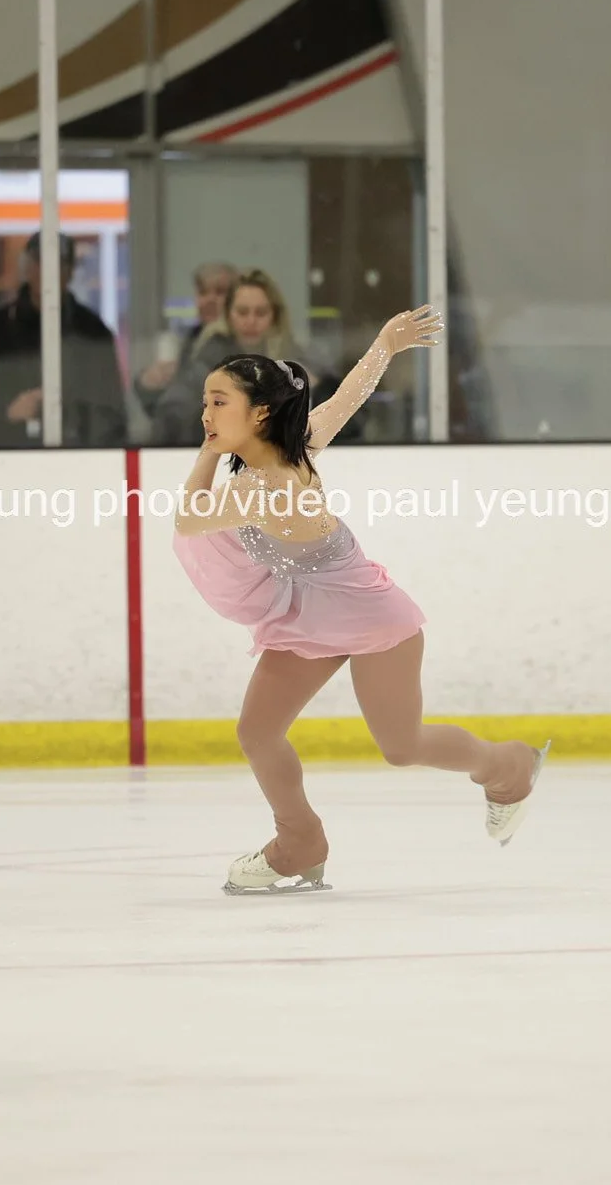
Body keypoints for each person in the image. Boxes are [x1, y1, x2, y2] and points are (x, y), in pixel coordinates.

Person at [172, 306, 549, 895]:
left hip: (373, 619)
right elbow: (345, 400)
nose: (207, 413)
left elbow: (188, 518)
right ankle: (299, 841)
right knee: (258, 732)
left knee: (402, 747)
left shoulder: (266, 487)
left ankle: (510, 767)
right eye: (206, 401)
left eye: (219, 402)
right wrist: (385, 345)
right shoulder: (293, 449)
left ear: (260, 412)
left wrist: (209, 452)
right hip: (309, 617)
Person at [0, 232, 126, 447]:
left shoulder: (92, 331)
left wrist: (73, 411)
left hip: (75, 456)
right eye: (40, 262)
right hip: (5, 455)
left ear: (70, 271)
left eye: (59, 264)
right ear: (27, 267)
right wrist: (7, 411)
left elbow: (113, 411)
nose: (48, 272)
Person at [151, 269, 316, 445]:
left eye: (260, 313)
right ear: (228, 315)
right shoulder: (207, 360)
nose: (251, 321)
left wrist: (312, 389)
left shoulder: (293, 360)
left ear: (275, 316)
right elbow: (173, 412)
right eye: (242, 312)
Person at [136, 261, 236, 417]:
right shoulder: (191, 339)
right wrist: (148, 383)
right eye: (203, 292)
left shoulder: (237, 344)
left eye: (220, 292)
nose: (210, 299)